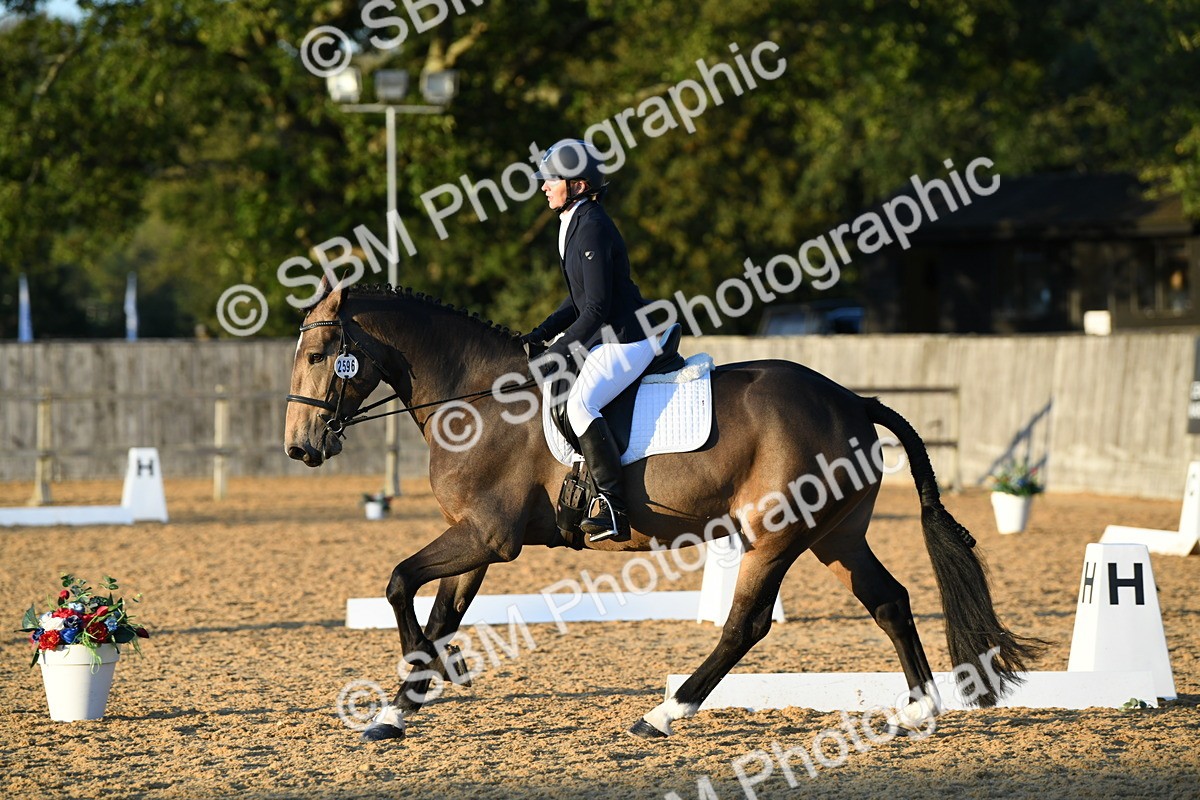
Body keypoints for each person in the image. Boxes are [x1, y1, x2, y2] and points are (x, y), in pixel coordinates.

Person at [521, 139, 656, 543]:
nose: (544, 186)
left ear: (577, 185)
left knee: (581, 405)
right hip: (606, 335)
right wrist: (541, 332)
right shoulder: (574, 221)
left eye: (552, 180)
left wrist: (559, 352)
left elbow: (596, 308)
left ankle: (613, 506)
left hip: (628, 339)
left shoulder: (592, 226)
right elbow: (578, 298)